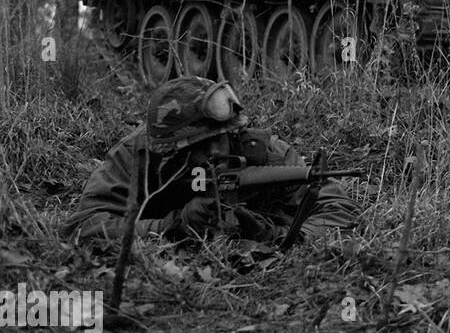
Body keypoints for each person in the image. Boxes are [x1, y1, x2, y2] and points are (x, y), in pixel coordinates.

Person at [65, 77, 360, 246]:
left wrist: (279, 237)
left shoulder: (263, 152)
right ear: (173, 151)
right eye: (204, 145)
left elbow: (339, 210)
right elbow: (82, 225)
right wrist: (171, 226)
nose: (219, 149)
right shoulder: (137, 155)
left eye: (227, 134)